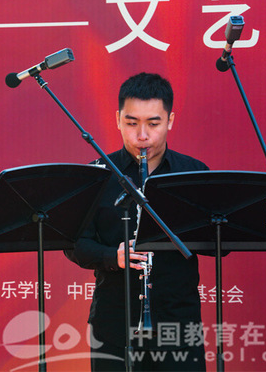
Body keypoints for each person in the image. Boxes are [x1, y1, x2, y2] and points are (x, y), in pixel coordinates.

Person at [65, 73, 208, 371]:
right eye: (131, 123)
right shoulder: (97, 175)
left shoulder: (193, 173)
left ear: (170, 121)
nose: (142, 136)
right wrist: (112, 256)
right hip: (114, 324)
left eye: (153, 124)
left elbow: (218, 240)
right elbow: (74, 244)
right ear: (118, 119)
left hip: (177, 323)